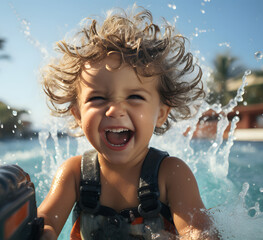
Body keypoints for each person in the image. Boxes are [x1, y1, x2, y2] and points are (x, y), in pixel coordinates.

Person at [38, 5, 219, 240]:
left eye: (134, 97)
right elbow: (46, 221)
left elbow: (197, 229)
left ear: (161, 113)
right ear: (78, 114)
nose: (114, 110)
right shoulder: (73, 174)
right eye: (97, 98)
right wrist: (43, 232)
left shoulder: (171, 174)